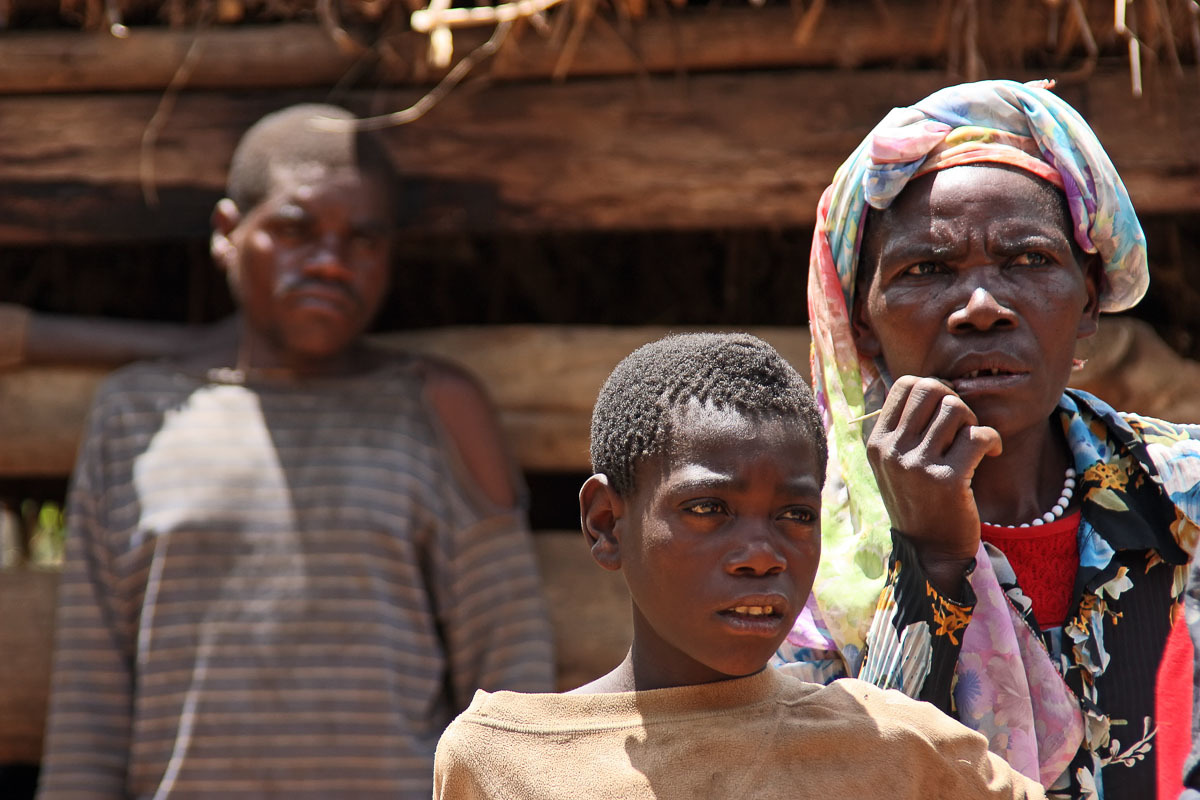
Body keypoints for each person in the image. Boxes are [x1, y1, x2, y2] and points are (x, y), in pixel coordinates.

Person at [36, 104, 555, 799]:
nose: (331, 264)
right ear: (227, 233)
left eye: (363, 240)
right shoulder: (139, 414)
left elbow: (509, 682)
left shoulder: (436, 410)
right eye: (294, 229)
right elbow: (89, 707)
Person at [774, 79, 1200, 799]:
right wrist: (929, 559)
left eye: (1029, 260)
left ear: (1089, 300)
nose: (981, 308)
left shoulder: (1183, 493)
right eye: (926, 270)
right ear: (865, 323)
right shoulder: (806, 559)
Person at [432, 332, 1046, 800]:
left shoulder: (900, 749)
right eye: (708, 508)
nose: (761, 555)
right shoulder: (505, 760)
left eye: (796, 515)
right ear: (605, 524)